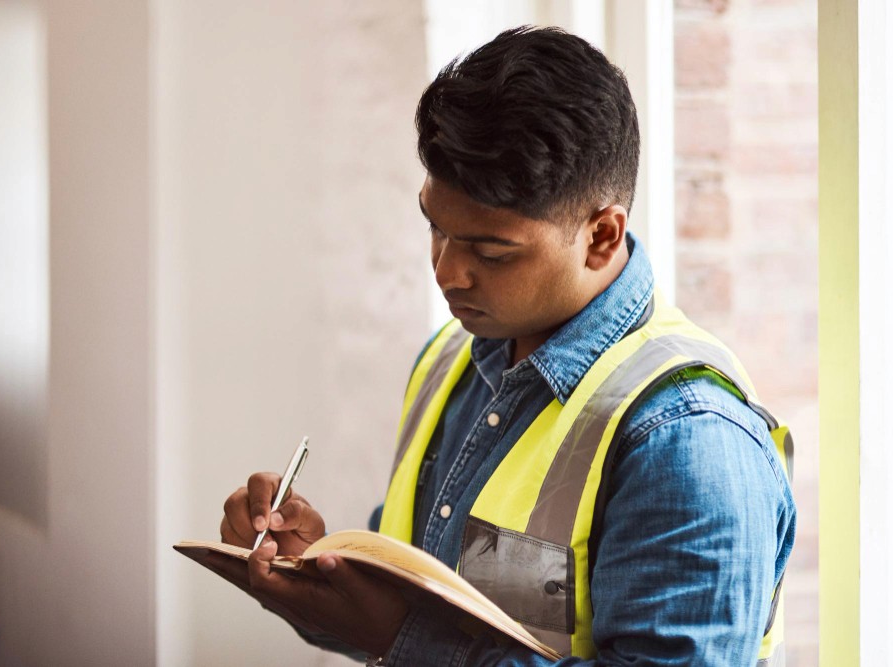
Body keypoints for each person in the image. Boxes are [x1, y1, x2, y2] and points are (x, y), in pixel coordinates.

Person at [218, 26, 796, 666]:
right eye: (435, 228)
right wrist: (317, 577)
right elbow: (413, 602)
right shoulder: (451, 360)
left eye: (490, 250)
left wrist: (400, 639)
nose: (445, 272)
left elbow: (410, 637)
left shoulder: (688, 439)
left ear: (602, 235)